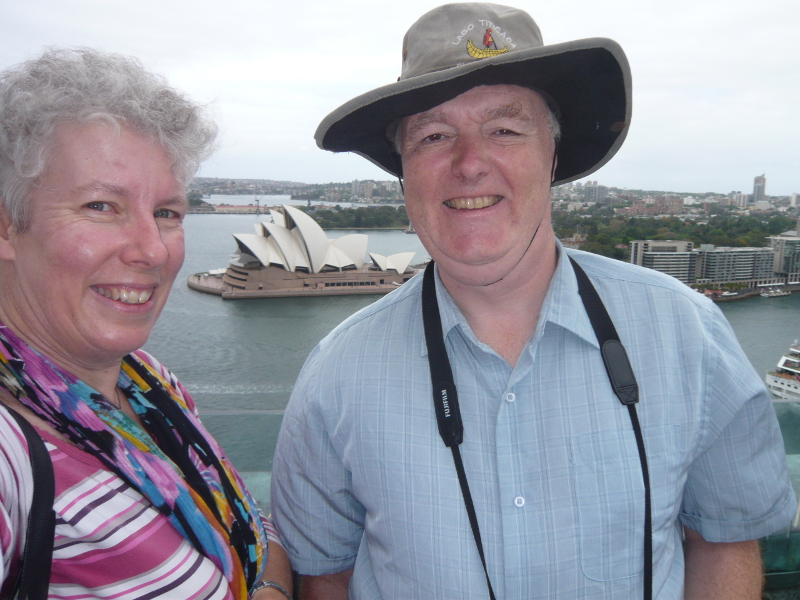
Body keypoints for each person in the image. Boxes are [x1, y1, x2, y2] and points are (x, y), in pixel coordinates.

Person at [271, 3, 796, 599]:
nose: (469, 163)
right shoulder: (336, 375)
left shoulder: (688, 334)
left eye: (504, 129)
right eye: (434, 136)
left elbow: (724, 544)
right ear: (403, 172)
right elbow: (324, 577)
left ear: (553, 154)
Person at [0, 48, 292, 600]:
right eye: (99, 206)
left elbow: (249, 521)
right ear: (8, 226)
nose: (152, 250)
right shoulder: (12, 451)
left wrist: (269, 589)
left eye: (167, 213)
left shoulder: (152, 385)